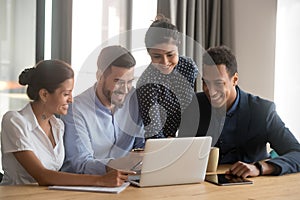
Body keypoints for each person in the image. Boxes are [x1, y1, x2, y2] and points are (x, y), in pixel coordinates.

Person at [0, 60, 134, 186]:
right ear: (44, 94)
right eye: (66, 94)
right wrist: (101, 180)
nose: (71, 100)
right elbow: (43, 176)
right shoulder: (15, 121)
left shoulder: (58, 126)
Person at [196, 45, 300, 177]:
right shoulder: (194, 106)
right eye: (206, 83)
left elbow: (297, 153)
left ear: (234, 80)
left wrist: (260, 167)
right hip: (205, 186)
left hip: (255, 187)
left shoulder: (263, 111)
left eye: (218, 83)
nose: (210, 91)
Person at [61, 45, 144, 175]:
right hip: (87, 187)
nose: (125, 89)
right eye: (118, 81)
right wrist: (123, 164)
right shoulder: (76, 110)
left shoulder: (135, 100)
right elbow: (80, 164)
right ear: (100, 75)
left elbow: (141, 145)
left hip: (128, 182)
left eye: (129, 82)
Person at [136, 15, 198, 138]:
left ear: (178, 46)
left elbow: (192, 107)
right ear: (149, 53)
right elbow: (154, 132)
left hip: (185, 136)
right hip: (155, 143)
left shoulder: (188, 67)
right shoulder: (146, 84)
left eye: (170, 54)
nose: (165, 62)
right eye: (157, 56)